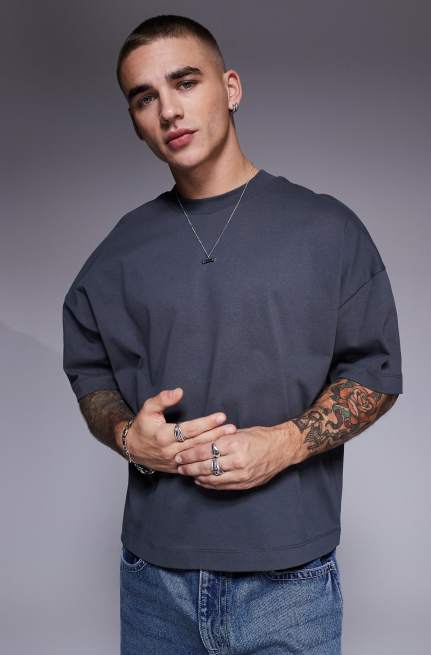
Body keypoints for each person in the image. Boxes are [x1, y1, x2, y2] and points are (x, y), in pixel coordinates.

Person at [62, 14, 403, 655]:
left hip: (289, 584)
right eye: (144, 97)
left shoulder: (327, 229)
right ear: (135, 120)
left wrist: (287, 443)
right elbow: (90, 374)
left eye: (185, 82)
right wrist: (128, 436)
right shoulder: (119, 251)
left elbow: (374, 373)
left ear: (231, 88)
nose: (168, 110)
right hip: (153, 582)